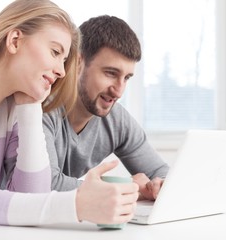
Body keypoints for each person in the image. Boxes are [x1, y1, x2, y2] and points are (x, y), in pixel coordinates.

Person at [0, 0, 139, 226]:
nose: (61, 71)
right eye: (55, 52)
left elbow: (31, 196)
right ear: (15, 41)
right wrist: (76, 205)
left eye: (64, 60)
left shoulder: (12, 108)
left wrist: (30, 107)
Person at [43, 15, 169, 201]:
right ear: (78, 63)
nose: (119, 91)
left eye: (126, 78)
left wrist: (161, 184)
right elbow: (45, 184)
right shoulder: (43, 107)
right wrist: (129, 187)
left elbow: (160, 172)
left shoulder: (116, 120)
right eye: (111, 73)